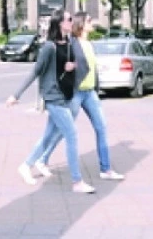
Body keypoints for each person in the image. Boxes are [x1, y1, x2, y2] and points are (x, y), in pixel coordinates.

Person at [6, 9, 96, 194]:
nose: (72, 22)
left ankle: (26, 165)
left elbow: (66, 67)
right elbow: (36, 71)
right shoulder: (49, 47)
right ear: (60, 23)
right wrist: (16, 95)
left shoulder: (68, 43)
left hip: (66, 95)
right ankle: (77, 181)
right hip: (53, 98)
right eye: (69, 19)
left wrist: (71, 67)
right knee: (71, 134)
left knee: (48, 136)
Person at [37, 12, 125, 181]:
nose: (92, 23)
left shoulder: (89, 44)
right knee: (63, 130)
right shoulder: (72, 43)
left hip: (90, 93)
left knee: (101, 127)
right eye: (89, 20)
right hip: (75, 92)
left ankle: (105, 169)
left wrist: (97, 88)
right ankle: (42, 158)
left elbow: (92, 68)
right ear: (81, 24)